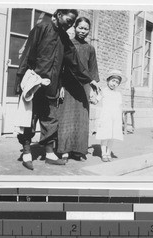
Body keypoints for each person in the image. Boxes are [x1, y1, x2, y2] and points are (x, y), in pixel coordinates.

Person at [15, 9, 92, 170]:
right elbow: (27, 53)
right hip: (33, 84)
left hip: (51, 86)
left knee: (50, 119)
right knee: (29, 118)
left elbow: (75, 62)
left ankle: (50, 154)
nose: (70, 25)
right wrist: (20, 79)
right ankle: (27, 152)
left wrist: (90, 80)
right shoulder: (41, 28)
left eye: (72, 22)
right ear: (58, 15)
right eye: (69, 20)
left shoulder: (64, 38)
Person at [57, 17, 100, 162]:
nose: (83, 31)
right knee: (66, 118)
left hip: (83, 88)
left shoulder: (90, 48)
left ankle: (78, 150)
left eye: (86, 29)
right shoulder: (67, 45)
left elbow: (93, 71)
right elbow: (60, 68)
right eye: (80, 27)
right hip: (68, 86)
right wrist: (60, 86)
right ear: (75, 27)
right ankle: (64, 151)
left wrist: (93, 91)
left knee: (81, 119)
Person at [95, 70, 124, 162]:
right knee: (105, 135)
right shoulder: (103, 91)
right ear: (108, 81)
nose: (114, 84)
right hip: (106, 116)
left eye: (117, 82)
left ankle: (109, 152)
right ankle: (103, 153)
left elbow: (119, 106)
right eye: (113, 81)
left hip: (115, 117)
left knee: (112, 136)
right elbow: (96, 100)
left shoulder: (118, 94)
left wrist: (121, 118)